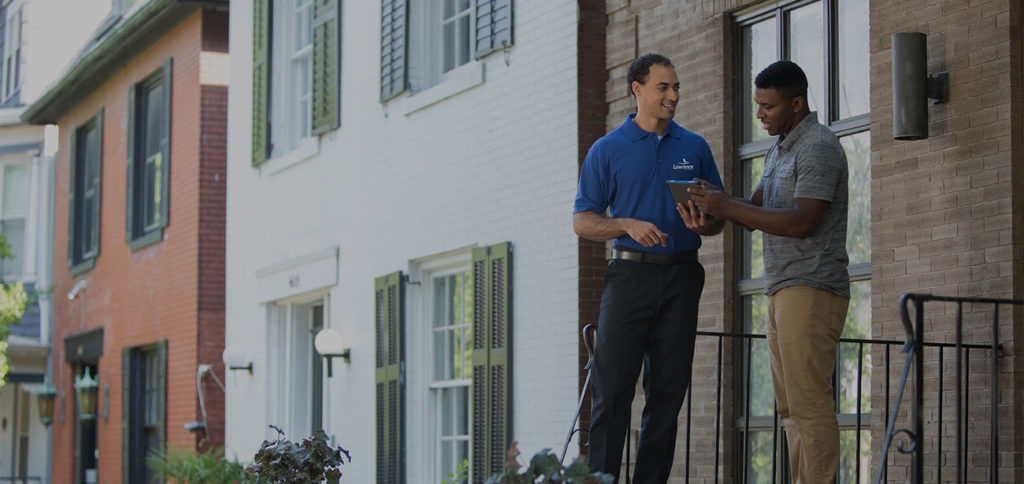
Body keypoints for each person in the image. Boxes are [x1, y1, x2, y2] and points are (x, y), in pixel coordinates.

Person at [684, 60, 850, 483]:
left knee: (809, 402)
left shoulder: (818, 146)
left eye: (768, 106)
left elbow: (800, 222)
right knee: (789, 407)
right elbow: (754, 210)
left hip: (811, 286)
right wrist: (712, 214)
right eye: (757, 105)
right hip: (780, 288)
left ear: (797, 103)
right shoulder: (778, 150)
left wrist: (727, 205)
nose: (759, 114)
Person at [573, 53, 725, 483]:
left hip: (682, 276)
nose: (674, 96)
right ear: (637, 89)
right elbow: (582, 220)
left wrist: (706, 221)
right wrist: (625, 223)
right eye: (664, 87)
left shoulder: (694, 147)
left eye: (676, 87)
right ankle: (601, 479)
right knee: (613, 390)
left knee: (667, 394)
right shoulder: (607, 150)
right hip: (630, 277)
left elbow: (718, 216)